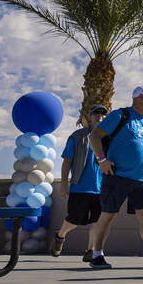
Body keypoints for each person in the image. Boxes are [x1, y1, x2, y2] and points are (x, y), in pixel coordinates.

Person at [86, 86, 143, 270]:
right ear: (140, 97)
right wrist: (102, 160)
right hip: (117, 175)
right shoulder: (120, 115)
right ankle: (97, 255)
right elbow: (94, 136)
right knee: (108, 215)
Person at [51, 104, 107, 261]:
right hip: (80, 187)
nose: (100, 117)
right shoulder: (77, 136)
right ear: (89, 116)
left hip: (101, 189)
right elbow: (67, 161)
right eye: (96, 114)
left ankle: (90, 251)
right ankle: (60, 236)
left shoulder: (108, 138)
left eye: (103, 115)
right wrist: (63, 183)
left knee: (97, 222)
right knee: (74, 221)